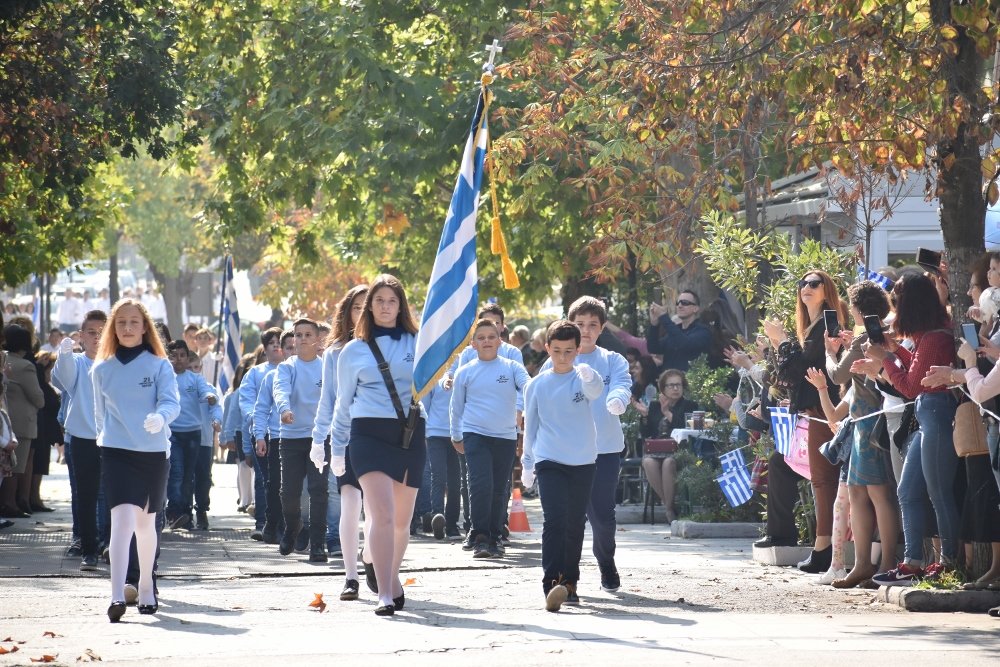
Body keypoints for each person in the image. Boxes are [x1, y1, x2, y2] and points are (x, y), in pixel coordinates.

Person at [331, 274, 424, 616]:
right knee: (381, 514)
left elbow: (440, 371)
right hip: (367, 435)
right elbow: (343, 404)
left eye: (392, 301)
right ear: (369, 307)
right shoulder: (353, 351)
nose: (386, 307)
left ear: (401, 306)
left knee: (401, 521)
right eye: (379, 301)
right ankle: (384, 592)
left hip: (410, 434)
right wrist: (337, 448)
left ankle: (391, 576)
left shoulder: (418, 342)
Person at [860, 274, 957, 585]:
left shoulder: (934, 337)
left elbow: (910, 386)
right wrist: (894, 352)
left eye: (899, 301)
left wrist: (886, 357)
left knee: (939, 493)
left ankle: (949, 561)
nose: (895, 308)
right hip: (928, 417)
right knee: (908, 491)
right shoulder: (931, 336)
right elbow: (917, 366)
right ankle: (912, 561)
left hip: (936, 416)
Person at [92, 298, 180, 621]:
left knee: (145, 525)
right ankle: (116, 595)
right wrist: (107, 441)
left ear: (145, 328)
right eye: (121, 323)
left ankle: (145, 585)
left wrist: (160, 417)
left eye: (134, 322)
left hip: (153, 454)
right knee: (122, 523)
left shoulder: (159, 365)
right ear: (113, 329)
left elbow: (172, 403)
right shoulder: (101, 369)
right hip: (116, 453)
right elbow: (99, 416)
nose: (127, 328)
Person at [538, 296, 632, 593]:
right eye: (580, 324)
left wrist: (617, 400)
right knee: (566, 518)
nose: (587, 330)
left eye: (593, 325)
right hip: (564, 453)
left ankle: (606, 561)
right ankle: (566, 580)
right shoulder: (556, 360)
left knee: (602, 516)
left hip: (603, 450)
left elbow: (621, 384)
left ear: (602, 327)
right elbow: (539, 397)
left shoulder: (612, 360)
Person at [758, 270, 843, 574]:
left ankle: (823, 549)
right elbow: (797, 376)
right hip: (814, 411)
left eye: (814, 283)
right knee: (807, 475)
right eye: (802, 283)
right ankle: (820, 547)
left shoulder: (827, 325)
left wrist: (781, 342)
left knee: (824, 482)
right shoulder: (811, 327)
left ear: (826, 290)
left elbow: (802, 371)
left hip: (827, 411)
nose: (806, 287)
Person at [521, 320, 605, 612]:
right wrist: (527, 464)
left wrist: (590, 375)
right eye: (556, 351)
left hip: (583, 459)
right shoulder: (536, 385)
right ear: (547, 348)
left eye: (569, 351)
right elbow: (530, 426)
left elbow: (596, 392)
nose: (562, 357)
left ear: (578, 349)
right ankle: (551, 582)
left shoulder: (583, 378)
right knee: (555, 520)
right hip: (549, 459)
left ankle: (570, 583)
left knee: (574, 522)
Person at [823, 281, 898, 588]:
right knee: (860, 494)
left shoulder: (865, 337)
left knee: (876, 494)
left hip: (870, 423)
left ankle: (884, 563)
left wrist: (830, 353)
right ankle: (865, 563)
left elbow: (838, 374)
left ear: (857, 308)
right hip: (866, 421)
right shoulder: (883, 333)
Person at [450, 318, 530, 558]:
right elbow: (456, 407)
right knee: (480, 485)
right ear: (473, 344)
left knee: (499, 488)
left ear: (499, 340)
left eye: (491, 337)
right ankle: (480, 535)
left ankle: (496, 536)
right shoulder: (465, 371)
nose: (486, 341)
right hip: (475, 435)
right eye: (481, 338)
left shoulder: (511, 367)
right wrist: (456, 435)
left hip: (505, 436)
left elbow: (528, 387)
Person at [312, 284, 372, 600]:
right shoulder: (334, 352)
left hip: (380, 437)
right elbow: (329, 400)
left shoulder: (385, 346)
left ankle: (374, 560)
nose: (362, 312)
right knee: (350, 503)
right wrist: (318, 439)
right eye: (357, 307)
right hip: (345, 438)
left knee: (376, 511)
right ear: (347, 312)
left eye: (368, 306)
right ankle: (351, 576)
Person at [53, 310, 107, 567]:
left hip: (113, 438)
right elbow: (63, 380)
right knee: (86, 495)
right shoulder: (75, 362)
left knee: (111, 495)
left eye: (102, 332)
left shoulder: (115, 363)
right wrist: (64, 353)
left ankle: (109, 543)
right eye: (92, 333)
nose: (97, 338)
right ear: (82, 336)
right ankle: (88, 547)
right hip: (82, 438)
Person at [273, 317, 328, 562]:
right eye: (298, 334)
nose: (303, 339)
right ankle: (292, 526)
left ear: (317, 340)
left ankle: (318, 544)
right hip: (292, 437)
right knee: (289, 492)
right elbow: (280, 390)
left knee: (318, 490)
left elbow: (333, 398)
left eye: (308, 334)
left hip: (319, 437)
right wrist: (284, 410)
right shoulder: (287, 367)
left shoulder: (327, 367)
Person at [163, 340, 220, 531]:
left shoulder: (194, 379)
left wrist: (210, 397)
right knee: (176, 472)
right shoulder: (164, 377)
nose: (178, 360)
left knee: (188, 476)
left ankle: (185, 515)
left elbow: (206, 392)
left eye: (182, 355)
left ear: (187, 358)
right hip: (172, 433)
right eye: (174, 355)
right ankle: (173, 511)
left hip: (193, 434)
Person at [239, 327, 285, 540]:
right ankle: (263, 523)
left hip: (287, 434)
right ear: (265, 348)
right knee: (266, 481)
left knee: (284, 482)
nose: (276, 345)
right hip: (262, 433)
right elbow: (246, 401)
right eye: (272, 342)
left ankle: (283, 525)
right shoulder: (256, 373)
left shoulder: (291, 370)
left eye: (279, 341)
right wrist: (257, 421)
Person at [639, 369, 701, 523]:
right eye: (671, 385)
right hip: (656, 450)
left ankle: (668, 509)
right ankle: (671, 506)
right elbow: (646, 433)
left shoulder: (689, 405)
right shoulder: (654, 406)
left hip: (680, 451)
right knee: (647, 462)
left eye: (678, 385)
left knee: (669, 463)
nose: (675, 389)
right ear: (663, 388)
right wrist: (645, 416)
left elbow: (684, 428)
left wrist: (666, 412)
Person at [253, 331, 296, 544]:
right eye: (288, 347)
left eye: (296, 346)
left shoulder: (317, 371)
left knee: (302, 487)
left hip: (308, 437)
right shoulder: (272, 376)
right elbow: (261, 409)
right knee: (276, 484)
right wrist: (259, 436)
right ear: (282, 350)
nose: (293, 351)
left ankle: (299, 527)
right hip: (278, 438)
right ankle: (272, 524)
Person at [0, 325, 44, 519]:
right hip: (23, 423)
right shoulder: (25, 366)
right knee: (16, 467)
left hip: (6, 420)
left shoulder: (4, 360)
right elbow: (38, 398)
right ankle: (11, 503)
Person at [645, 289, 712, 372]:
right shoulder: (675, 331)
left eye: (685, 303)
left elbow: (685, 344)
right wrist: (654, 325)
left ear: (695, 308)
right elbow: (653, 348)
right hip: (668, 382)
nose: (680, 305)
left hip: (689, 382)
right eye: (678, 303)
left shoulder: (703, 331)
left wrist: (664, 317)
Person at [30, 351, 61, 513]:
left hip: (45, 430)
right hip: (40, 429)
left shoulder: (46, 386)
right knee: (38, 465)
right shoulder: (42, 385)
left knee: (40, 465)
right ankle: (34, 498)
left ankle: (35, 497)